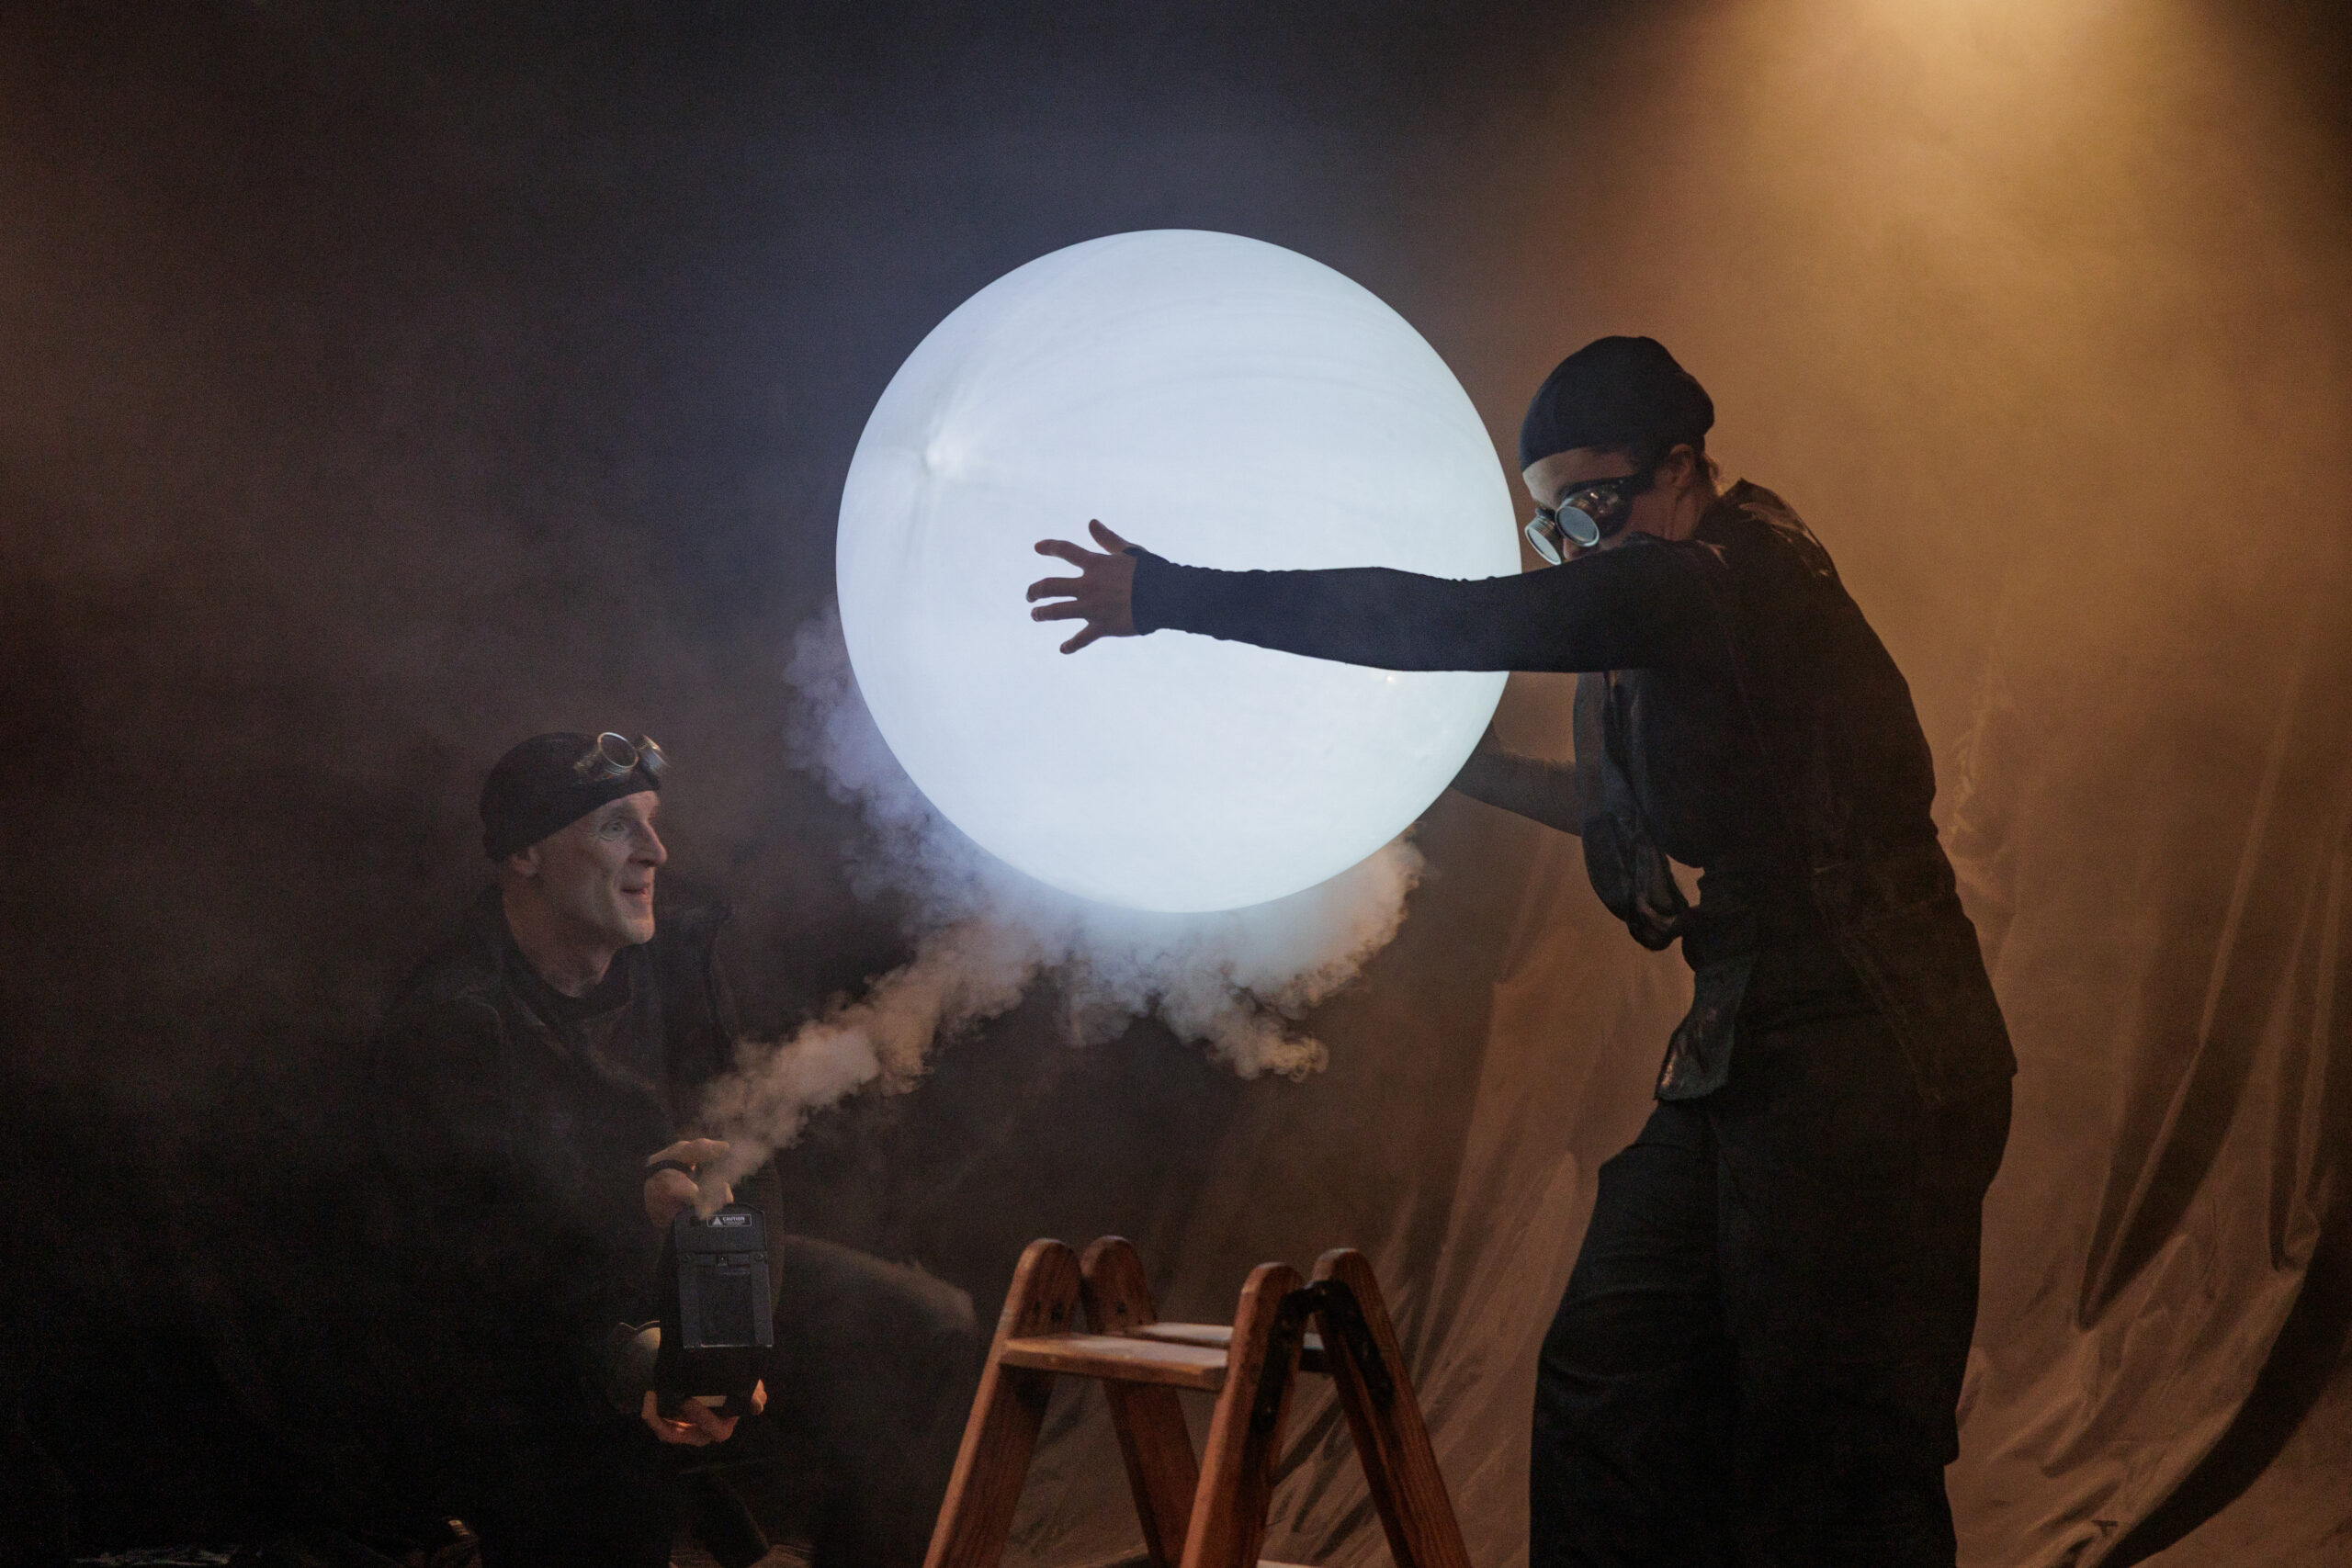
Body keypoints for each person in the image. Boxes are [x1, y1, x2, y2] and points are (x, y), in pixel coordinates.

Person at [1024, 336, 2016, 1568]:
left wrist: (1172, 594)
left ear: (1681, 467)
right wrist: (1444, 773)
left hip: (1874, 1044)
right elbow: (1622, 805)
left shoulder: (1724, 576)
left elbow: (1446, 618)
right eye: (1551, 528)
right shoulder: (1681, 612)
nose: (1574, 550)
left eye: (1589, 510)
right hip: (1755, 1039)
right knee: (1612, 1366)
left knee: (1837, 1441)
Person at [363, 731, 978, 1568]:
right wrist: (639, 1352)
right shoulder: (455, 1017)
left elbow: (746, 1160)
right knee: (612, 1498)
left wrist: (733, 1345)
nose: (655, 851)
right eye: (617, 825)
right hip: (526, 1342)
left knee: (925, 1327)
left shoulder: (679, 960)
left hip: (687, 1281)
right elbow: (477, 1265)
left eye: (653, 821)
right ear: (525, 854)